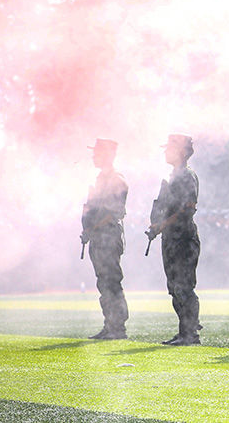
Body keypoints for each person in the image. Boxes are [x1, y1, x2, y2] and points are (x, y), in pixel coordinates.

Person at [146, 134, 202, 346]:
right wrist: (157, 225)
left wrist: (162, 224)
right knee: (174, 287)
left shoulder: (186, 176)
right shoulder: (174, 176)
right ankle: (184, 332)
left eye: (169, 148)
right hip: (172, 238)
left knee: (183, 286)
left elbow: (187, 209)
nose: (165, 152)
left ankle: (190, 334)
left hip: (183, 238)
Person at [81, 138, 129, 340]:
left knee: (111, 281)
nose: (93, 156)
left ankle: (117, 327)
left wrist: (92, 228)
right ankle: (110, 325)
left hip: (107, 236)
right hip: (99, 238)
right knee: (104, 283)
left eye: (97, 152)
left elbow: (113, 212)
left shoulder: (116, 180)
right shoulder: (101, 180)